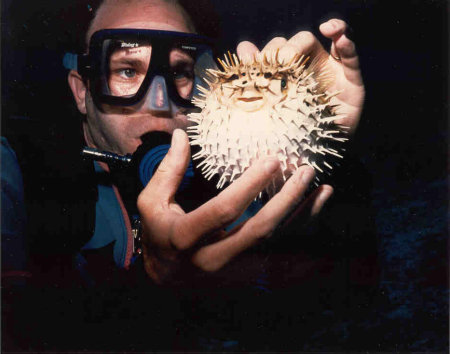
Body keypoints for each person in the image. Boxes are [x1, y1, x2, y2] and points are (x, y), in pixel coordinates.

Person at [2, 0, 368, 351]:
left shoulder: (223, 181)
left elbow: (328, 302)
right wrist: (154, 284)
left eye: (179, 72)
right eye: (128, 71)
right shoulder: (17, 172)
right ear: (82, 92)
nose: (160, 102)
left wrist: (325, 149)